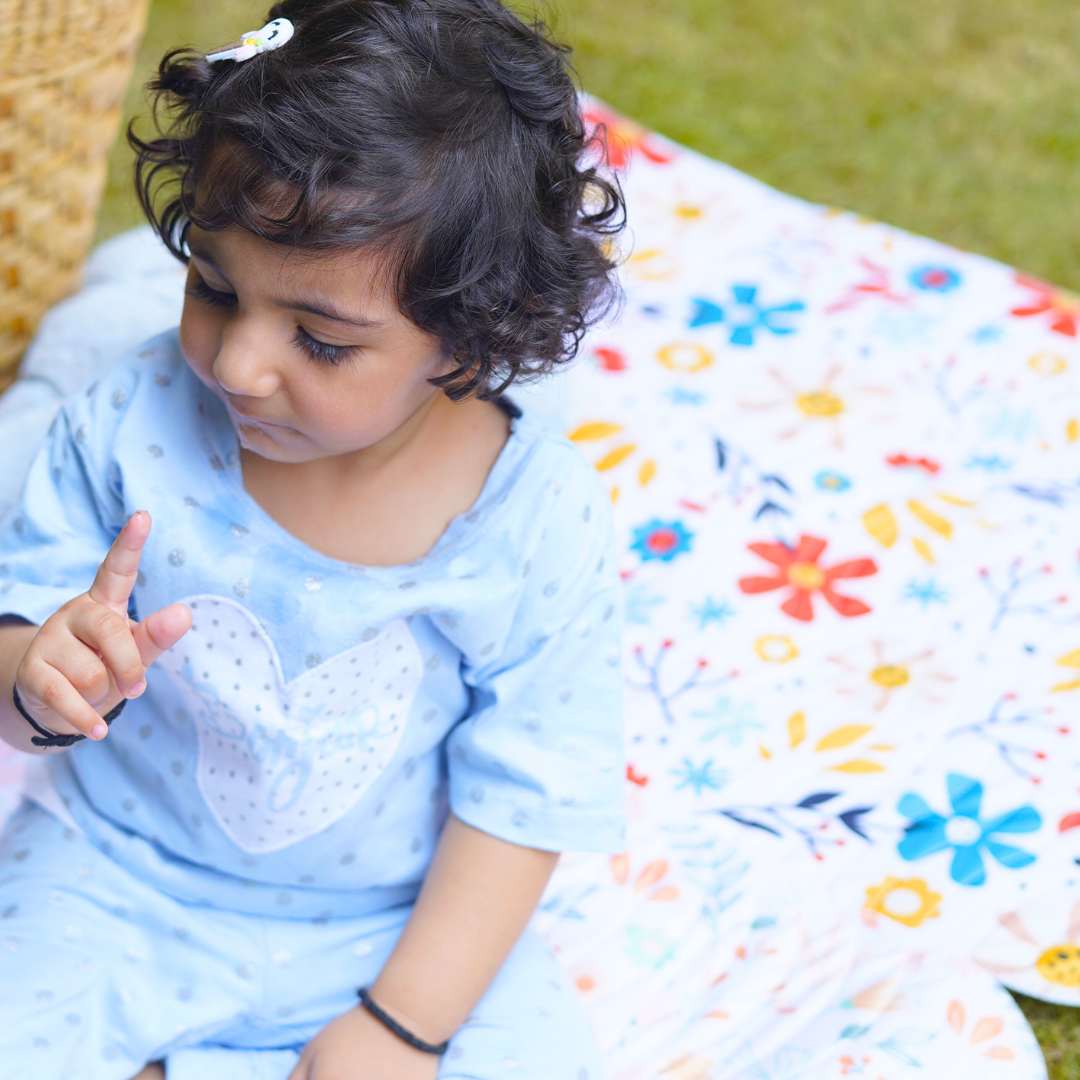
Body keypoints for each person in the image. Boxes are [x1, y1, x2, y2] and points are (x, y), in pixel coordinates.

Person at [0, 1, 629, 1077]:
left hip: (394, 926)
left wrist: (401, 1028)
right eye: (212, 286)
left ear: (468, 334)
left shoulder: (534, 524)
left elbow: (524, 801)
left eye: (322, 341)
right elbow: (20, 623)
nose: (238, 365)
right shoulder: (130, 416)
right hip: (114, 875)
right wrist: (36, 678)